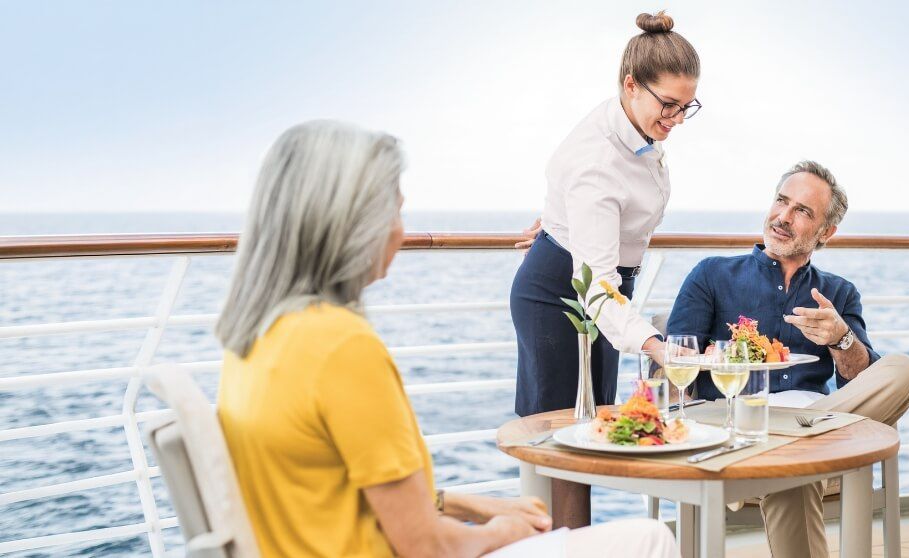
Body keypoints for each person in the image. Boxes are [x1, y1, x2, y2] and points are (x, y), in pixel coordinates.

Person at [215, 121, 678, 558]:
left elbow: (343, 490)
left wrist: (477, 506)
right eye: (393, 213)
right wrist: (500, 533)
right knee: (651, 538)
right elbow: (424, 546)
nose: (399, 233)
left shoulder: (256, 339)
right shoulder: (342, 349)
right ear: (348, 226)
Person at [665, 160, 909, 558]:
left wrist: (842, 338)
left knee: (905, 369)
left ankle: (787, 447)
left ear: (826, 232)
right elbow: (675, 368)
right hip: (737, 421)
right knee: (800, 467)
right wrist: (708, 362)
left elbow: (861, 385)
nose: (783, 217)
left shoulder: (838, 293)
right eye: (781, 201)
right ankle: (790, 449)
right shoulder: (712, 275)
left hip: (818, 417)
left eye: (803, 211)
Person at [509, 11, 701, 527]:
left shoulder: (637, 123)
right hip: (562, 295)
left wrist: (559, 219)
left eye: (687, 107)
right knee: (560, 448)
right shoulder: (598, 159)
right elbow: (595, 286)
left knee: (592, 435)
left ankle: (576, 543)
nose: (677, 120)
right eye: (669, 106)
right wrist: (658, 347)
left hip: (601, 287)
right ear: (630, 85)